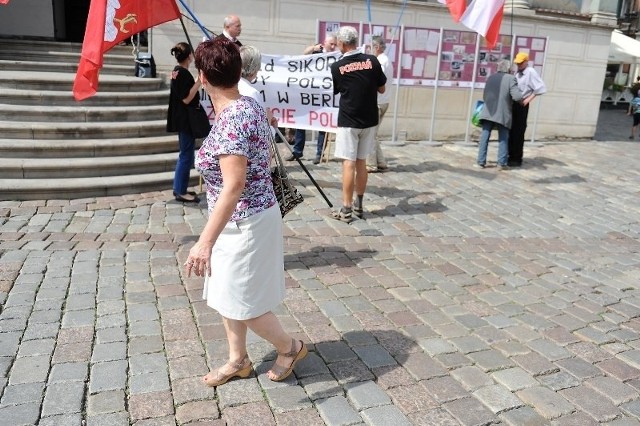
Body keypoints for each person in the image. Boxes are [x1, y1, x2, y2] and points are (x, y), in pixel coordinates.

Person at [187, 38, 307, 387]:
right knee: (227, 294)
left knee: (244, 303)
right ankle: (238, 359)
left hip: (244, 223)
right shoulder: (247, 103)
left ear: (203, 77)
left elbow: (233, 186)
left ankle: (290, 347)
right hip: (240, 219)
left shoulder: (232, 120)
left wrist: (203, 242)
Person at [330, 26, 386, 222]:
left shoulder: (337, 67)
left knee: (348, 163)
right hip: (369, 119)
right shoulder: (372, 61)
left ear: (343, 44)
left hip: (349, 120)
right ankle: (359, 205)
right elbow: (382, 88)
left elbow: (336, 90)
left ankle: (346, 208)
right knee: (361, 162)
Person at [286, 35, 338, 164]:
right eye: (331, 44)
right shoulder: (317, 52)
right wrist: (314, 47)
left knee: (323, 126)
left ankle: (320, 153)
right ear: (324, 42)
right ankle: (297, 151)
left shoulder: (336, 57)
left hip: (324, 96)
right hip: (309, 95)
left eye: (334, 44)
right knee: (301, 123)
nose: (333, 47)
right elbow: (304, 53)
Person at [166, 42, 202, 203]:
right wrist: (200, 82)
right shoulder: (183, 73)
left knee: (186, 155)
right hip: (185, 120)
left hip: (182, 119)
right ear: (189, 56)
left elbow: (185, 90)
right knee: (186, 156)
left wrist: (196, 81)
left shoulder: (177, 71)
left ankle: (180, 188)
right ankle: (180, 191)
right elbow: (187, 98)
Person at [475, 59, 523, 170]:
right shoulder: (511, 79)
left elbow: (485, 94)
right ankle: (501, 163)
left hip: (488, 110)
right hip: (502, 112)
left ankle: (480, 162)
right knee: (503, 137)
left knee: (484, 136)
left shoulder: (490, 77)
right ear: (508, 69)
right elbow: (517, 97)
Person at [508, 52, 546, 167]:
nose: (518, 65)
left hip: (521, 104)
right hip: (513, 103)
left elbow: (540, 88)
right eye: (517, 63)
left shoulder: (530, 72)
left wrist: (528, 99)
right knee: (512, 130)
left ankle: (516, 158)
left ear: (526, 62)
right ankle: (510, 154)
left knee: (518, 131)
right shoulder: (518, 73)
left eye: (520, 63)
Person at [366, 35, 393, 173]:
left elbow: (377, 83)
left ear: (376, 47)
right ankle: (381, 162)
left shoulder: (380, 62)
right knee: (373, 133)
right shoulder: (385, 60)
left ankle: (371, 164)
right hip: (383, 101)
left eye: (370, 47)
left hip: (377, 102)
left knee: (370, 134)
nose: (369, 50)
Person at [238, 45, 278, 129]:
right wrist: (269, 121)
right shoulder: (252, 93)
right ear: (255, 67)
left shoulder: (229, 86)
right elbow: (260, 133)